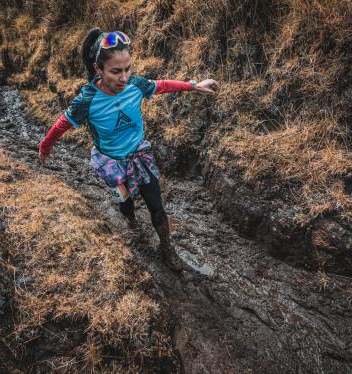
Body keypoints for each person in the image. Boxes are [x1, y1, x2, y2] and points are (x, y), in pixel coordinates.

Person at [38, 28, 219, 271]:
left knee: (156, 205)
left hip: (139, 156)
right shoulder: (87, 100)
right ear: (98, 69)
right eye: (115, 71)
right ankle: (132, 222)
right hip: (112, 162)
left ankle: (168, 250)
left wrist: (194, 85)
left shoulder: (136, 85)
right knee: (126, 202)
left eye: (127, 69)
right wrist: (44, 147)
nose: (124, 78)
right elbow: (61, 124)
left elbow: (162, 85)